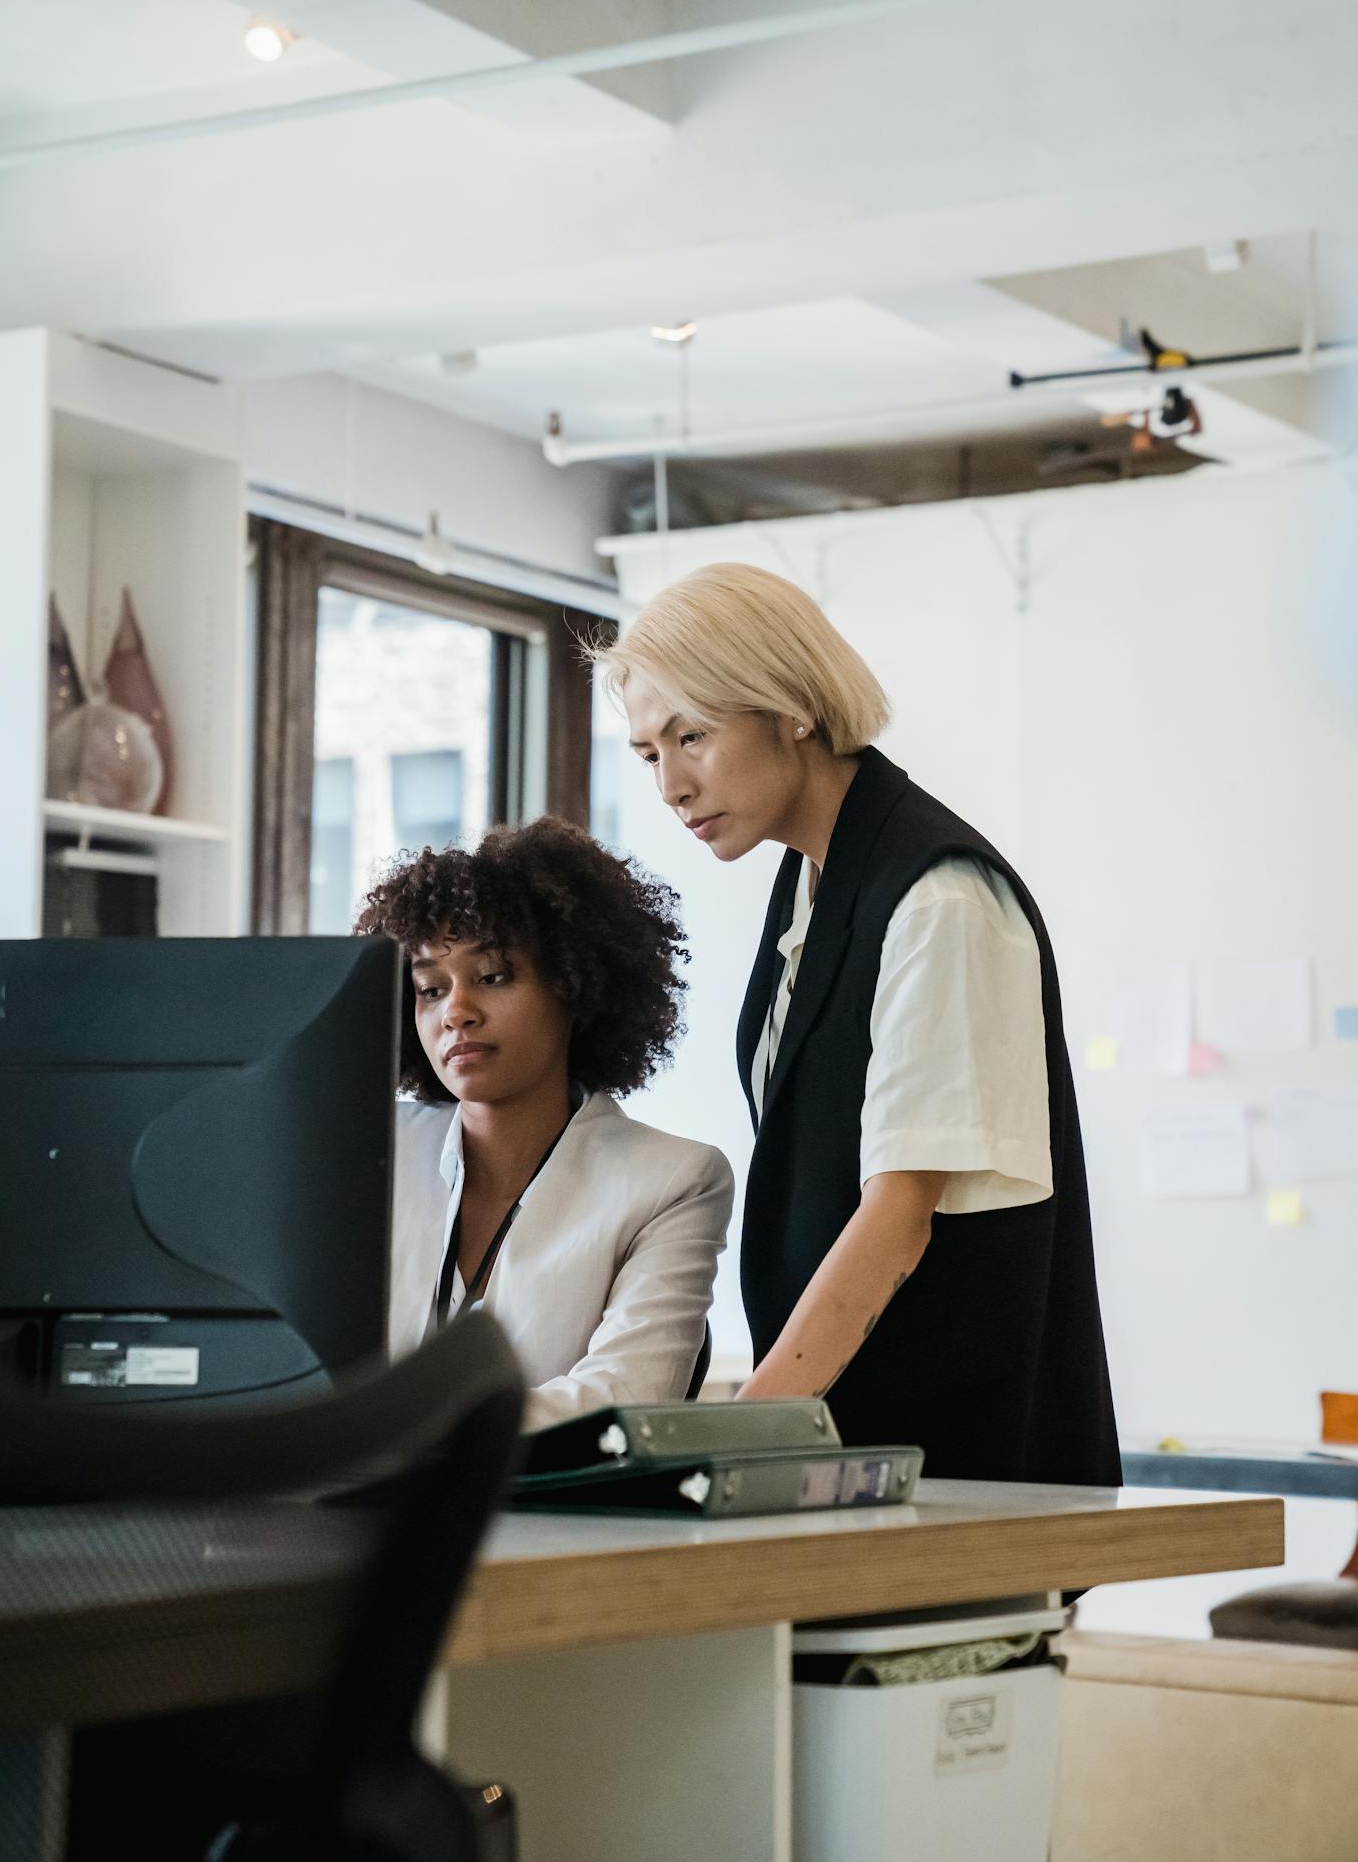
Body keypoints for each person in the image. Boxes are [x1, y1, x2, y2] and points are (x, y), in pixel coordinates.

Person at [598, 563, 1120, 1486]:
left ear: (788, 707)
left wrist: (749, 1426)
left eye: (693, 736)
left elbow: (897, 1215)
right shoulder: (806, 883)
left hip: (952, 1455)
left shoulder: (938, 898)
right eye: (648, 754)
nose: (671, 786)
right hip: (856, 1431)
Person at [357, 817, 731, 1430]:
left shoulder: (674, 1180)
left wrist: (408, 1427)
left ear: (573, 985)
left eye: (493, 977)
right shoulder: (372, 1150)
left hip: (551, 1518)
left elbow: (626, 1396)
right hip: (349, 1510)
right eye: (430, 988)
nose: (456, 1013)